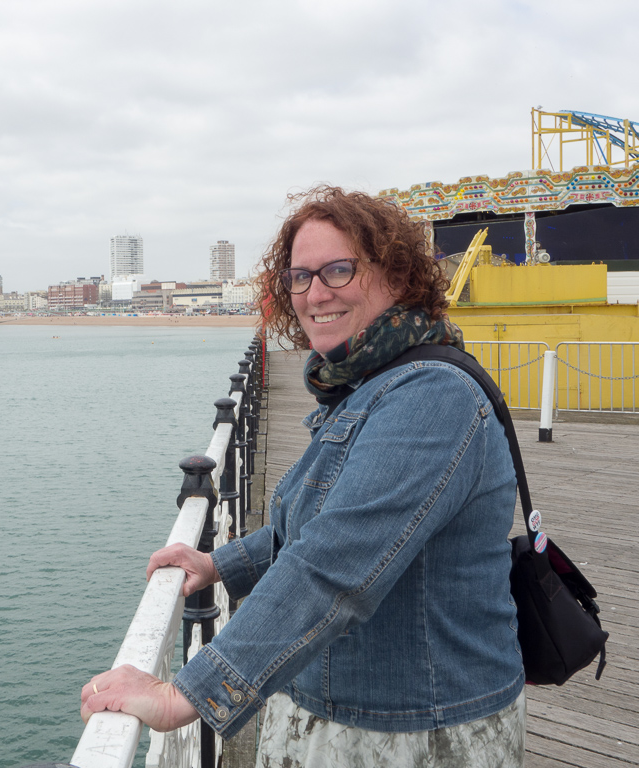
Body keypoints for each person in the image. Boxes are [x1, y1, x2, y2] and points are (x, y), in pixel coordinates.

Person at [81, 186, 526, 767]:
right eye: (299, 277)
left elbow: (335, 564)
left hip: (413, 731)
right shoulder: (364, 385)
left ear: (396, 275)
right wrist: (219, 565)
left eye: (339, 270)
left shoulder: (432, 397)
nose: (315, 293)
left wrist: (185, 692)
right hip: (342, 712)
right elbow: (319, 525)